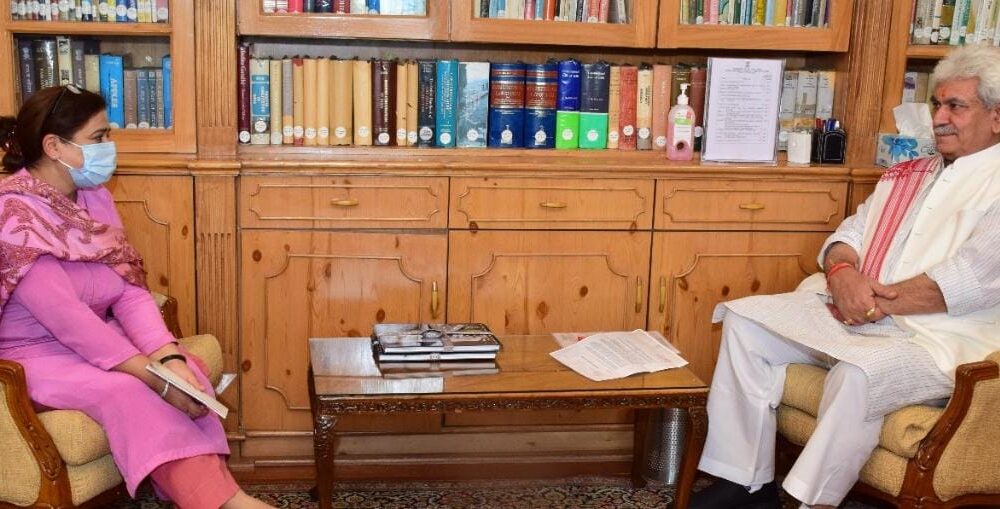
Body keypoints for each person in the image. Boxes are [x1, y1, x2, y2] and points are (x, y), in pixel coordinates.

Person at [691, 44, 1000, 509]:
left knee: (858, 374)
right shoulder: (909, 173)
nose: (939, 117)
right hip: (861, 314)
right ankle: (745, 482)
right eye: (937, 104)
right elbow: (846, 236)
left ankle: (808, 501)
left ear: (996, 117)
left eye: (956, 106)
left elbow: (969, 280)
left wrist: (869, 300)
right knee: (745, 320)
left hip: (941, 340)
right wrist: (841, 273)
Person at [0, 85, 274, 509]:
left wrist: (169, 358)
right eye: (98, 137)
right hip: (35, 356)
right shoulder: (14, 216)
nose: (109, 147)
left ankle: (209, 494)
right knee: (130, 391)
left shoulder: (95, 198)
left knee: (188, 374)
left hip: (98, 342)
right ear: (54, 147)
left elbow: (129, 290)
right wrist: (152, 376)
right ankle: (225, 503)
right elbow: (69, 321)